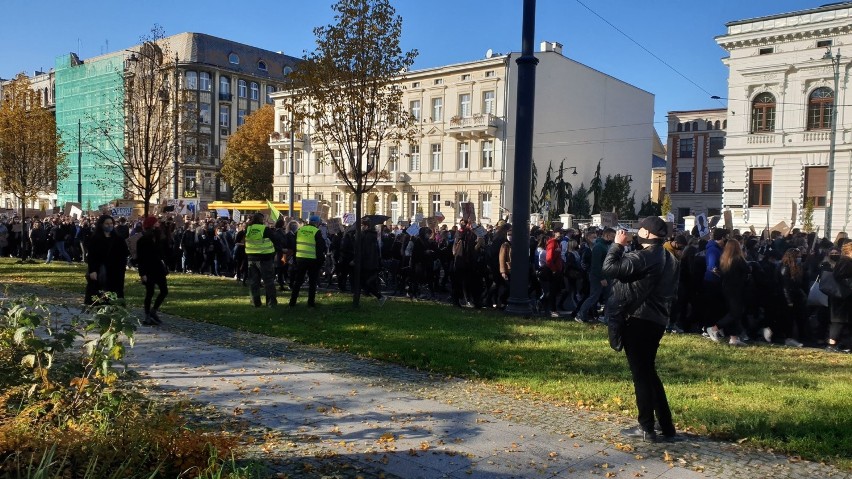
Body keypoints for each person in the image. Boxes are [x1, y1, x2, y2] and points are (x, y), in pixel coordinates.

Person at [603, 216, 680, 443]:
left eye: (641, 230)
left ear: (646, 233)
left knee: (641, 375)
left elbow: (609, 268)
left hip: (638, 319)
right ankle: (666, 425)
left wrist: (618, 244)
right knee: (649, 372)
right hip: (657, 320)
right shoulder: (671, 258)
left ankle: (646, 427)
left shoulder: (645, 256)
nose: (638, 233)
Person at [84, 215, 130, 306]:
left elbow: (124, 253)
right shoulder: (95, 239)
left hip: (116, 271)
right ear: (101, 225)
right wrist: (93, 270)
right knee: (100, 294)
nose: (109, 225)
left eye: (111, 223)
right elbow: (92, 256)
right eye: (107, 224)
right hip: (101, 270)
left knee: (115, 294)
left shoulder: (118, 239)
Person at [136, 216, 169, 325]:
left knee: (164, 290)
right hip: (148, 268)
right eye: (156, 223)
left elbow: (164, 247)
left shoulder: (158, 237)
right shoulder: (143, 239)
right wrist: (142, 273)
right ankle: (147, 316)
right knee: (150, 292)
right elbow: (140, 258)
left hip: (158, 268)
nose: (158, 224)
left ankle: (153, 311)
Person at [289, 216, 327, 308]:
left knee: (298, 282)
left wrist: (294, 259)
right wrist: (320, 261)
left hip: (300, 259)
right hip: (312, 260)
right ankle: (310, 303)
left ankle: (292, 303)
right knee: (312, 283)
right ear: (317, 223)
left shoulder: (300, 230)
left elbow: (294, 246)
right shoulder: (316, 232)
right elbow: (320, 248)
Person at [245, 213, 279, 307]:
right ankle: (271, 303)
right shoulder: (264, 229)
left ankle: (255, 303)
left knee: (254, 282)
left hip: (251, 258)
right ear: (262, 220)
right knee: (268, 282)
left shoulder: (248, 229)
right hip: (265, 258)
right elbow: (276, 239)